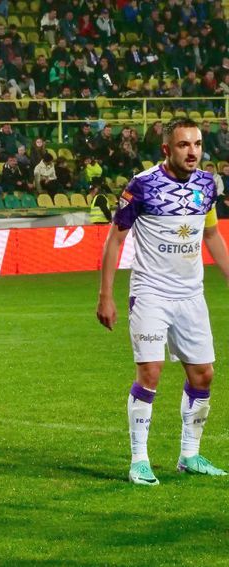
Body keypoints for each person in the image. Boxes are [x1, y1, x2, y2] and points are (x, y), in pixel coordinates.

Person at [97, 118, 229, 486]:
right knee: (151, 371)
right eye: (185, 145)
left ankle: (190, 454)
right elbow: (114, 241)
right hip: (151, 293)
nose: (193, 152)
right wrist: (105, 295)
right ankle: (139, 460)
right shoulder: (142, 186)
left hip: (192, 295)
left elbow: (213, 235)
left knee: (204, 374)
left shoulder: (207, 184)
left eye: (198, 144)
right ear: (166, 150)